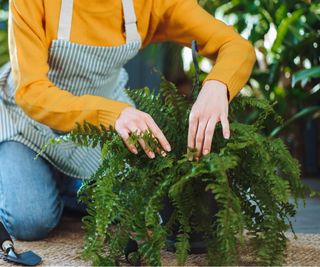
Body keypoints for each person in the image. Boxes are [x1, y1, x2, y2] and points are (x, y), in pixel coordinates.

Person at [0, 0, 256, 241]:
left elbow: (236, 45)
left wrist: (217, 85)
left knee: (139, 204)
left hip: (101, 132)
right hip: (29, 124)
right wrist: (112, 114)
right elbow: (31, 92)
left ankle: (63, 183)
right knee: (31, 219)